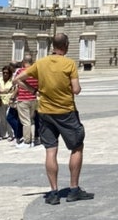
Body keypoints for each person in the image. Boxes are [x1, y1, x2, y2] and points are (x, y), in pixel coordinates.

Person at [14, 34, 93, 204]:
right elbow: (76, 90)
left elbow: (17, 79)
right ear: (66, 45)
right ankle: (74, 189)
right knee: (77, 147)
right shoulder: (69, 64)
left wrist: (33, 90)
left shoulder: (41, 63)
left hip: (45, 112)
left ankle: (53, 192)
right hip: (66, 112)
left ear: (52, 46)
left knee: (51, 150)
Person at [15, 57, 39, 147]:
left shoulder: (20, 71)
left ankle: (27, 141)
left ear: (24, 62)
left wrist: (13, 97)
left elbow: (16, 83)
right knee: (31, 120)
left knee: (25, 121)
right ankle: (33, 140)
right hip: (33, 98)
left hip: (23, 98)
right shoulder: (36, 72)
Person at [0, 65, 16, 139]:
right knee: (2, 118)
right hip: (1, 101)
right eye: (4, 72)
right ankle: (2, 134)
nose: (5, 74)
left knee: (9, 118)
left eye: (7, 73)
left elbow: (14, 90)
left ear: (10, 73)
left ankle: (11, 134)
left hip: (10, 101)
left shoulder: (13, 80)